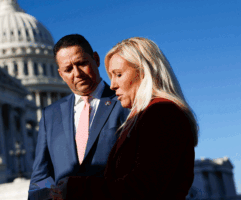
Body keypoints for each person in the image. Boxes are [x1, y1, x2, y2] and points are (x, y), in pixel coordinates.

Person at [50, 37, 199, 200]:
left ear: (143, 72)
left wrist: (75, 188)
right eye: (111, 76)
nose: (112, 85)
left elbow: (142, 188)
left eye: (118, 74)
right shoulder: (141, 118)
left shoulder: (162, 112)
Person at [28, 34, 129, 199]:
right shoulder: (50, 116)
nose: (77, 73)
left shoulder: (123, 101)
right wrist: (49, 190)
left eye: (81, 63)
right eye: (68, 69)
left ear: (96, 59)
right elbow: (40, 177)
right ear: (61, 74)